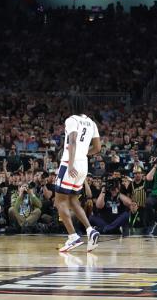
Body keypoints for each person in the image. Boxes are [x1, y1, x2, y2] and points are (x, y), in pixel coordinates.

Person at [54, 96, 102, 253]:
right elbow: (98, 148)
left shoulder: (71, 120)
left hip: (71, 162)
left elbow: (73, 141)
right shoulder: (92, 123)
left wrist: (71, 162)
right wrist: (83, 155)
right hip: (84, 164)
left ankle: (73, 237)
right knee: (73, 199)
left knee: (59, 201)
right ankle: (90, 230)